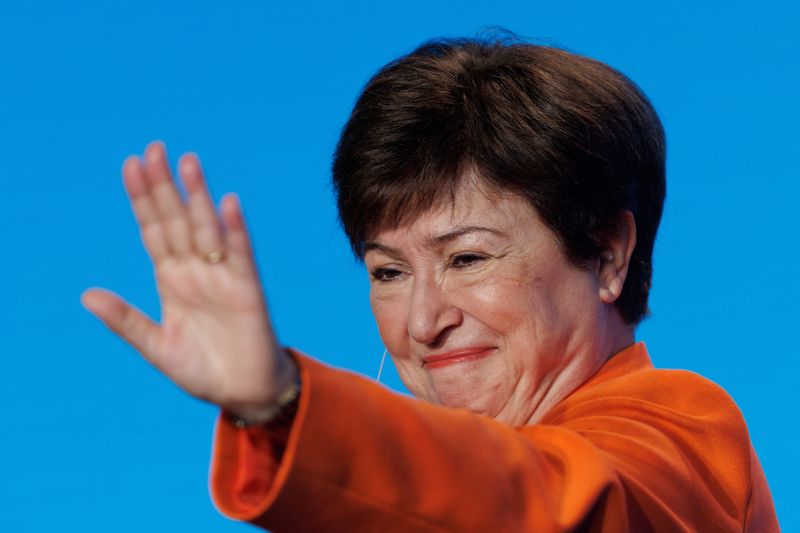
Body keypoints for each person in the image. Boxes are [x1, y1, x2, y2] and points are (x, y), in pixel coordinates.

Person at [81, 36, 779, 531]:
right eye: (388, 271)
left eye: (468, 258)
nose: (422, 320)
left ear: (607, 254)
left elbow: (549, 501)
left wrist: (284, 406)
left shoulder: (683, 435)